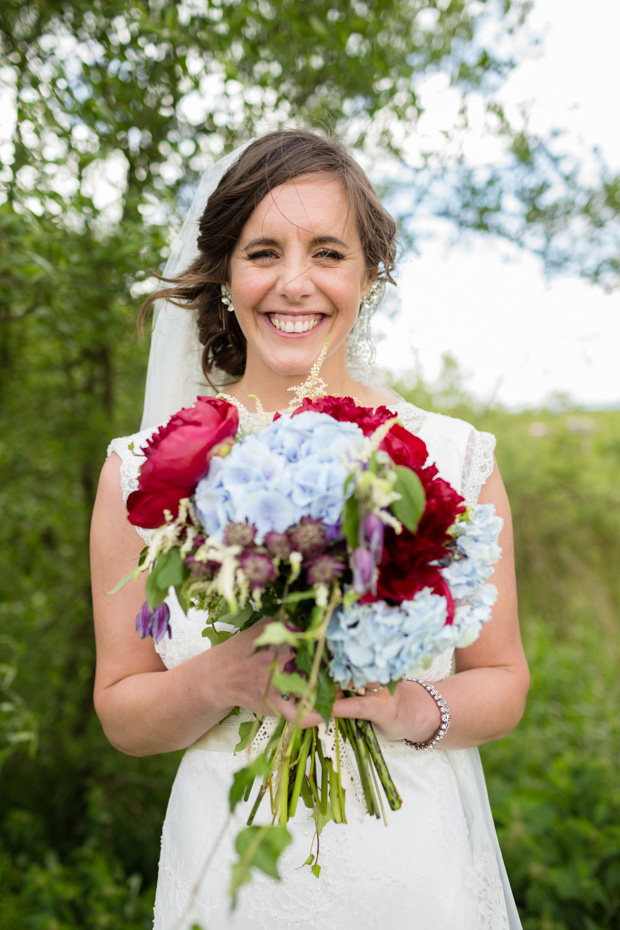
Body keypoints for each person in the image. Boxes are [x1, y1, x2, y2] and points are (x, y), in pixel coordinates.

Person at [91, 130, 530, 930]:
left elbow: (503, 682)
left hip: (413, 869)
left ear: (368, 274)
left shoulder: (449, 456)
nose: (295, 284)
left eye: (327, 252)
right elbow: (123, 711)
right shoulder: (146, 471)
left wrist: (406, 706)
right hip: (231, 875)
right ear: (225, 275)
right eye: (263, 252)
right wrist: (221, 677)